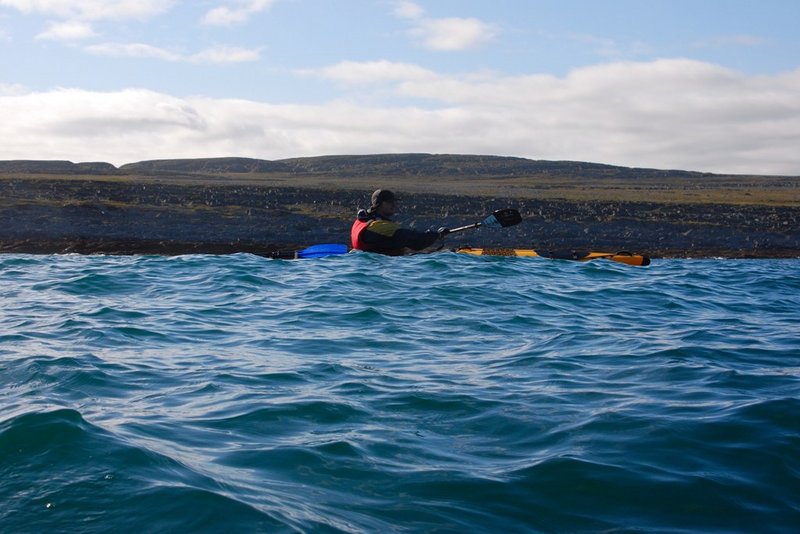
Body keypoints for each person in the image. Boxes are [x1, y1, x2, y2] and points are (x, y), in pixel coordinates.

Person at [351, 189, 449, 255]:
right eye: (390, 202)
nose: (394, 205)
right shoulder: (379, 226)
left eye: (394, 202)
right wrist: (437, 234)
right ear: (378, 204)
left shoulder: (362, 220)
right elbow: (416, 240)